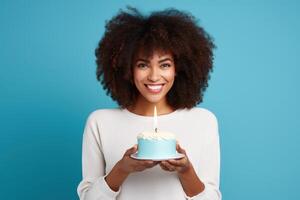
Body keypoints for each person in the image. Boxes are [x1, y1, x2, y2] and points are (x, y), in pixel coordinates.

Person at [77, 7, 221, 200]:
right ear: (126, 68)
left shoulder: (203, 121)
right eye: (143, 65)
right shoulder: (100, 122)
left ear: (180, 68)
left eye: (165, 65)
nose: (154, 76)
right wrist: (121, 169)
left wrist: (186, 171)